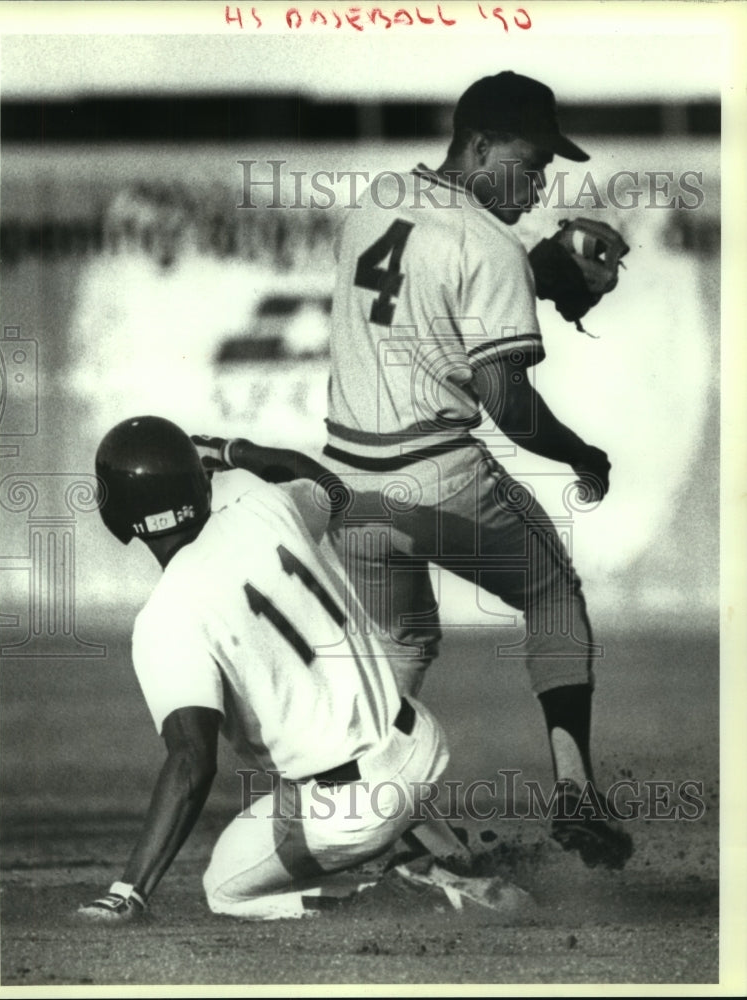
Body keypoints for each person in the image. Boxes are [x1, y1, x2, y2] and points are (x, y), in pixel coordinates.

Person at [317, 69, 633, 869]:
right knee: (552, 595)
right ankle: (575, 790)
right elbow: (508, 406)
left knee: (402, 641)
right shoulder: (490, 246)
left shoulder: (376, 198)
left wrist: (525, 269)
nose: (539, 183)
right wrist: (581, 453)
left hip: (349, 489)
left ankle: (347, 801)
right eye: (530, 163)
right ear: (481, 144)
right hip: (439, 478)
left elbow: (431, 261)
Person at [77, 415, 453, 922]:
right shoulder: (264, 505)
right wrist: (234, 451)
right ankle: (452, 858)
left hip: (355, 809)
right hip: (419, 744)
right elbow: (330, 488)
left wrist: (131, 889)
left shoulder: (167, 615)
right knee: (335, 755)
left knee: (225, 889)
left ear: (118, 513)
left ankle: (407, 898)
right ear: (200, 479)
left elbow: (191, 762)